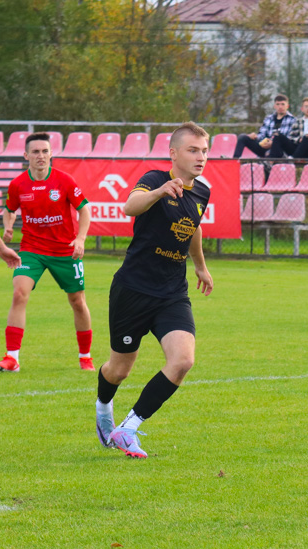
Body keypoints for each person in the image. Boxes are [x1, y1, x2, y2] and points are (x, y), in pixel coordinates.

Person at [95, 122, 214, 458]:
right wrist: (160, 192)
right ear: (173, 153)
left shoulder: (202, 191)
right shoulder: (153, 178)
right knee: (119, 370)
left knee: (183, 360)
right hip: (133, 289)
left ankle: (128, 428)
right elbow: (130, 207)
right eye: (193, 150)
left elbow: (193, 228)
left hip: (172, 292)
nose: (200, 157)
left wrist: (200, 266)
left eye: (204, 150)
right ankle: (104, 406)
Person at [0, 133, 94, 373]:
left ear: (51, 154)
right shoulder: (18, 184)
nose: (40, 156)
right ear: (26, 156)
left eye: (44, 151)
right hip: (31, 249)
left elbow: (85, 209)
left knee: (77, 302)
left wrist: (80, 238)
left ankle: (85, 357)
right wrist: (9, 226)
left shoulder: (64, 180)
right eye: (35, 152)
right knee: (20, 293)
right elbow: (9, 209)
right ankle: (12, 358)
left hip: (64, 251)